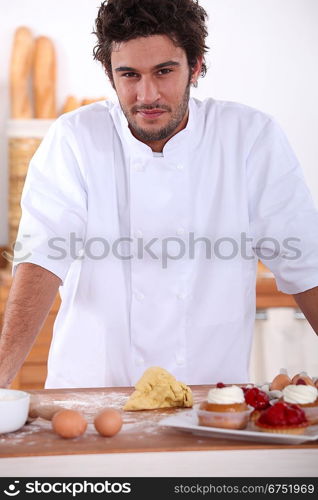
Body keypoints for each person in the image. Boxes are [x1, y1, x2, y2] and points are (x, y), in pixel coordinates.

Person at [0, 0, 317, 389]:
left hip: (207, 402)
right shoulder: (75, 138)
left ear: (195, 66)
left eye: (164, 71)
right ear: (109, 73)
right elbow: (42, 258)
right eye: (129, 74)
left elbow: (306, 262)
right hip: (91, 398)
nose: (146, 94)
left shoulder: (249, 137)